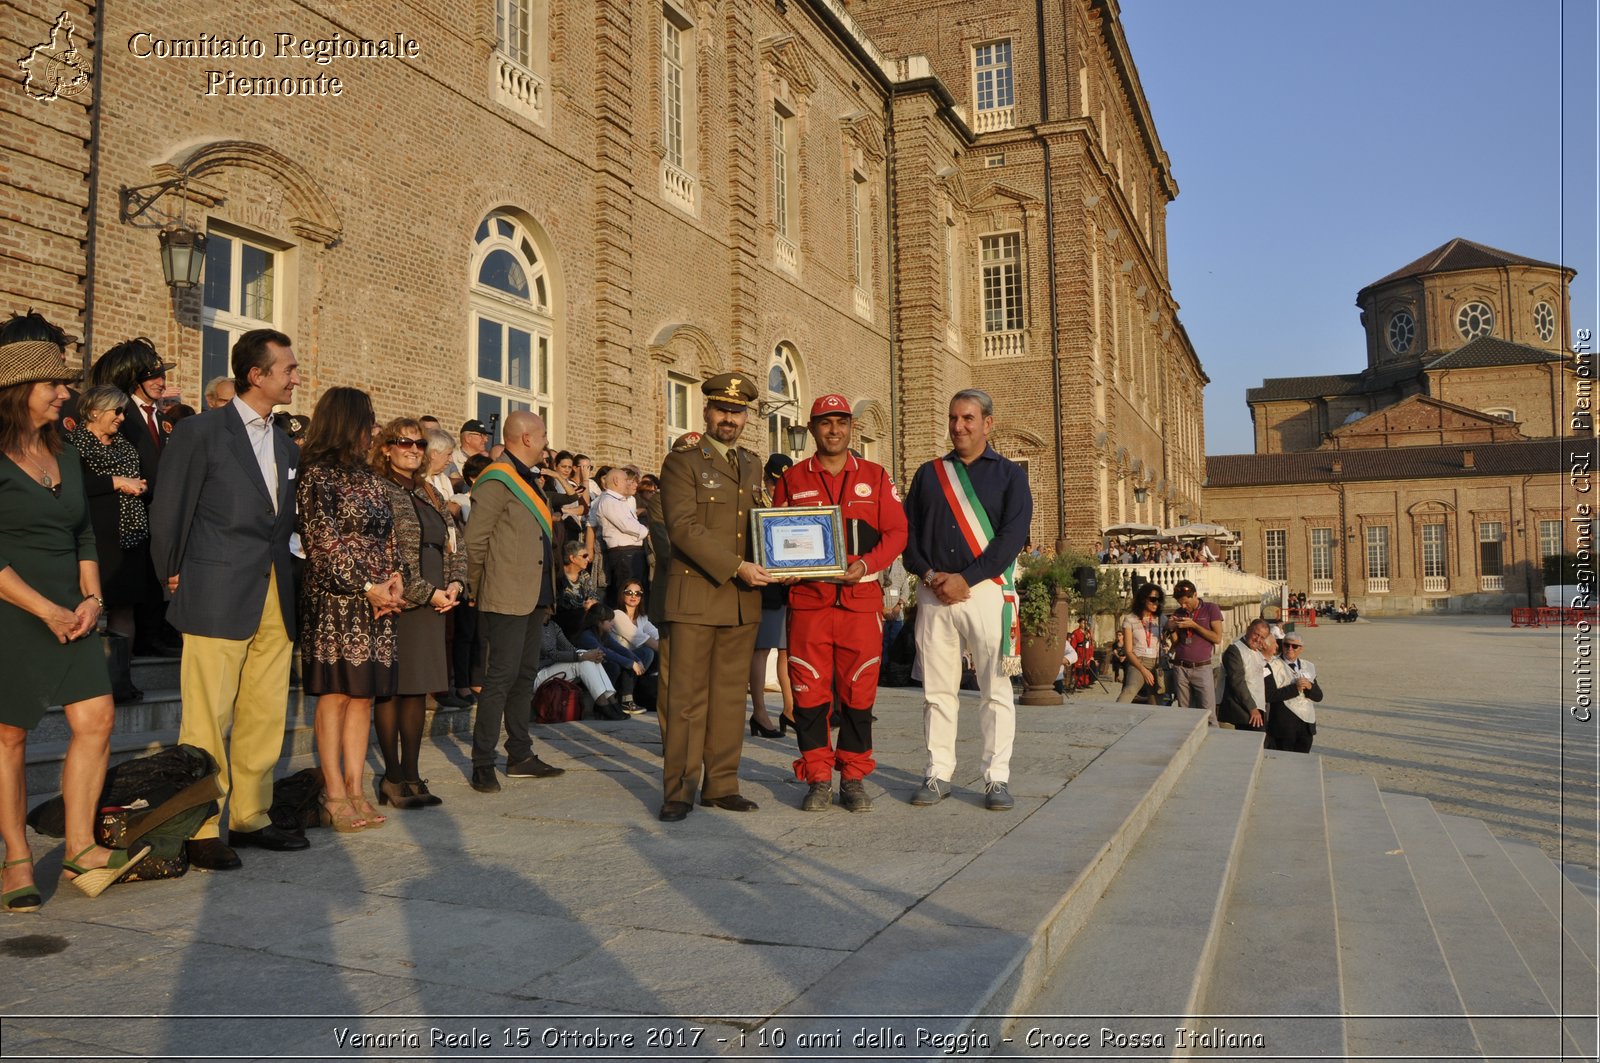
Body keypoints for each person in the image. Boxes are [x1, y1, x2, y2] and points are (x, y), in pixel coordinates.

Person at [0, 312, 152, 906]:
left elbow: (85, 533)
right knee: (9, 736)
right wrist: (48, 610)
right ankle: (15, 858)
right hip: (14, 608)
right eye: (54, 385)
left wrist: (90, 600)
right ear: (19, 392)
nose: (66, 393)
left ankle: (81, 847)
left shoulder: (63, 452)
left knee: (97, 719)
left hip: (74, 609)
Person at [150, 328, 311, 870]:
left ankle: (251, 815)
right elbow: (169, 509)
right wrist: (170, 576)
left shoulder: (288, 444)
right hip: (215, 587)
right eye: (287, 369)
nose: (295, 377)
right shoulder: (201, 431)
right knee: (206, 714)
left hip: (274, 592)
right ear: (256, 375)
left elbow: (282, 526)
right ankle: (198, 825)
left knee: (265, 710)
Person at [772, 393, 908, 813]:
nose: (834, 430)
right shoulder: (792, 480)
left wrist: (867, 563)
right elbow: (775, 537)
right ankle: (816, 778)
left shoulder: (876, 475)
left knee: (859, 693)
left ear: (852, 427)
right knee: (808, 693)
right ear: (812, 429)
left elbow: (897, 533)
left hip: (859, 603)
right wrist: (783, 568)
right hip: (809, 603)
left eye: (842, 422)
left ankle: (852, 777)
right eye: (825, 423)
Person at [903, 388, 1032, 811]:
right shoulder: (928, 474)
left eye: (968, 419)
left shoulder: (1012, 476)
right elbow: (909, 536)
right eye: (954, 419)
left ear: (987, 423)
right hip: (935, 591)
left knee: (995, 690)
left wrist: (967, 578)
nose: (959, 427)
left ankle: (997, 778)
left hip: (986, 593)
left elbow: (1011, 540)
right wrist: (929, 574)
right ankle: (938, 773)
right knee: (937, 691)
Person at [656, 372, 772, 822]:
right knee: (685, 699)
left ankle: (721, 785)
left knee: (728, 697)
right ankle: (679, 790)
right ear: (706, 412)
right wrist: (737, 566)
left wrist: (783, 558)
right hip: (697, 596)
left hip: (743, 599)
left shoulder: (751, 463)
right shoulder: (683, 461)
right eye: (722, 409)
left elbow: (758, 524)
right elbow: (684, 529)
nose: (729, 418)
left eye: (737, 411)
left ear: (746, 417)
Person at [296, 388, 403, 832]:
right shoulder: (315, 476)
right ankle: (333, 792)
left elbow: (388, 535)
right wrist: (366, 585)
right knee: (337, 696)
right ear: (347, 422)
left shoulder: (373, 478)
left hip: (379, 604)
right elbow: (322, 542)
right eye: (369, 421)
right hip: (337, 600)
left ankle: (357, 789)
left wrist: (394, 579)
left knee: (364, 697)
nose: (373, 430)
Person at [463, 410, 566, 792]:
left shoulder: (529, 479)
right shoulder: (497, 479)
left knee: (524, 677)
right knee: (500, 679)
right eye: (542, 436)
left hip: (535, 593)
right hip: (504, 594)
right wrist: (478, 588)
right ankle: (483, 761)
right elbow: (476, 543)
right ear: (525, 438)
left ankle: (520, 754)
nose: (545, 443)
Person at [371, 418, 464, 810]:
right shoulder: (377, 487)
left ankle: (412, 773)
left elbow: (454, 543)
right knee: (392, 689)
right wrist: (428, 593)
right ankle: (392, 777)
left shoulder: (430, 492)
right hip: (398, 601)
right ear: (386, 447)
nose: (413, 448)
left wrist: (457, 585)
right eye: (403, 441)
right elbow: (382, 553)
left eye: (419, 443)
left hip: (437, 600)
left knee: (416, 689)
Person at [66, 384, 151, 697]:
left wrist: (137, 485)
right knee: (87, 606)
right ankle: (83, 679)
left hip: (130, 536)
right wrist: (117, 482)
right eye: (115, 410)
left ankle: (119, 677)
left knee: (124, 608)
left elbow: (136, 475)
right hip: (95, 538)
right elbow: (73, 485)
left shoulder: (126, 446)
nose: (121, 417)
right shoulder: (73, 443)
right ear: (93, 412)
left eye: (123, 411)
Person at [749, 453, 793, 739]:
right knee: (763, 648)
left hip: (790, 584)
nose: (779, 490)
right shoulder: (756, 504)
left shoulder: (793, 504)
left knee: (788, 649)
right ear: (766, 481)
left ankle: (790, 709)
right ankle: (759, 711)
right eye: (775, 484)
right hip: (765, 584)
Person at [534, 615, 620, 712]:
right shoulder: (533, 626)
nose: (555, 603)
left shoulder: (553, 625)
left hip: (551, 670)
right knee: (582, 660)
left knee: (585, 655)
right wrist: (583, 656)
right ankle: (602, 703)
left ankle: (611, 700)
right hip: (537, 674)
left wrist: (593, 655)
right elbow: (551, 654)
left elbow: (570, 649)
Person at [574, 603, 648, 715]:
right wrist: (630, 663)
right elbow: (607, 653)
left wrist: (637, 660)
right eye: (610, 621)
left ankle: (623, 699)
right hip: (585, 675)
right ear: (599, 622)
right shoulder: (587, 636)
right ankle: (604, 704)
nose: (613, 624)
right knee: (613, 666)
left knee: (645, 653)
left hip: (600, 669)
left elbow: (619, 649)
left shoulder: (604, 635)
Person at [1167, 578, 1224, 724]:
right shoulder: (1179, 612)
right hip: (1180, 667)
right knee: (1184, 713)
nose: (1184, 606)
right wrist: (1171, 628)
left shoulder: (1211, 608)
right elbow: (1176, 642)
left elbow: (1217, 638)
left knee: (1209, 713)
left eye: (1186, 602)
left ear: (1195, 595)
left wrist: (1194, 626)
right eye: (1181, 604)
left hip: (1201, 667)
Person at [592, 465, 650, 605]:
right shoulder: (608, 501)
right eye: (626, 480)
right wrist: (647, 532)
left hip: (632, 551)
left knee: (637, 591)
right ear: (616, 481)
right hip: (624, 553)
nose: (629, 483)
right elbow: (626, 525)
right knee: (628, 592)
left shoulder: (619, 500)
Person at [1266, 632, 1321, 752]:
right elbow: (1269, 695)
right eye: (1286, 645)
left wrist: (1310, 687)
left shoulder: (1308, 666)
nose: (1290, 648)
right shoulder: (1271, 665)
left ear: (1301, 649)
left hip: (1306, 725)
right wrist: (1295, 688)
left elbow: (1319, 696)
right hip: (1283, 726)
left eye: (1294, 646)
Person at [612, 577, 661, 709]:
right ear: (622, 594)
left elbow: (658, 636)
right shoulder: (617, 615)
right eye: (629, 593)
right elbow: (641, 639)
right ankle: (625, 698)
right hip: (618, 659)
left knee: (654, 654)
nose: (634, 596)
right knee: (647, 652)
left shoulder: (642, 618)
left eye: (638, 593)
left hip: (637, 664)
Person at [1218, 618, 1271, 734]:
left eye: (1262, 637)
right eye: (1256, 634)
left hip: (1256, 708)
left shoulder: (1256, 651)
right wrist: (1252, 708)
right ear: (1248, 630)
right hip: (1243, 711)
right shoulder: (1234, 650)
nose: (1258, 639)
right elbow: (1237, 682)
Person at [1116, 583, 1166, 704]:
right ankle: (1112, 718)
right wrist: (1143, 670)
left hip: (1157, 662)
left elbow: (1174, 641)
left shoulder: (1162, 618)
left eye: (1159, 600)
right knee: (1129, 691)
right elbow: (1128, 651)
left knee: (1156, 701)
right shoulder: (1130, 619)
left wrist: (1173, 628)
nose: (1156, 603)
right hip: (1138, 661)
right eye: (1153, 599)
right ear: (1143, 599)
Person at [555, 539, 598, 637]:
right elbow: (559, 604)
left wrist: (592, 602)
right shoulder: (558, 576)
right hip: (564, 623)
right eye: (584, 556)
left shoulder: (584, 575)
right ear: (572, 558)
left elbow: (593, 595)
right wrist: (583, 607)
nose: (588, 559)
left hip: (583, 618)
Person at [450, 418, 491, 488]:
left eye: (486, 436)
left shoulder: (487, 461)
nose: (486, 440)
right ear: (468, 438)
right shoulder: (451, 460)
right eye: (481, 435)